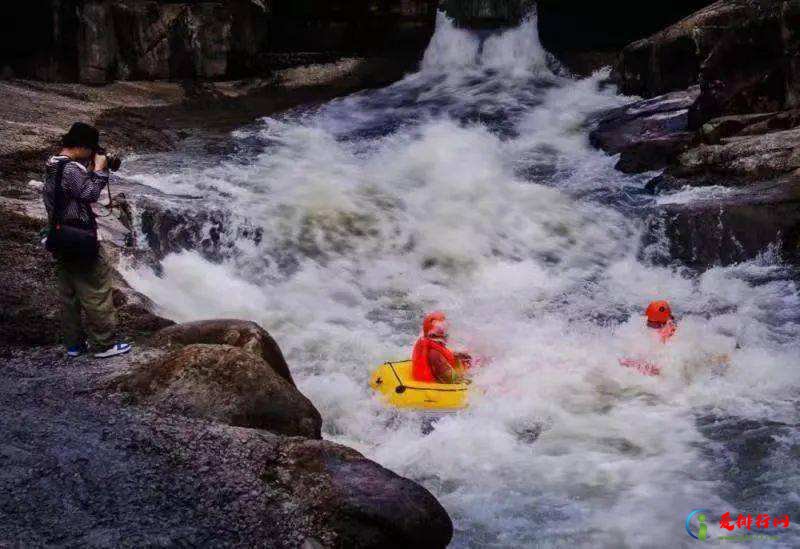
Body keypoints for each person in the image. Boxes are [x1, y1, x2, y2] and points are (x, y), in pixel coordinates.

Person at [43, 122, 131, 359]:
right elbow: (89, 194)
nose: (93, 153)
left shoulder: (53, 164)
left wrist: (90, 171)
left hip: (61, 235)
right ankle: (104, 345)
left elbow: (72, 192)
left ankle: (74, 344)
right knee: (96, 290)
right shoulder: (71, 169)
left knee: (69, 294)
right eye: (91, 149)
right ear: (81, 147)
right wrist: (101, 171)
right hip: (80, 237)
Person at [411, 311, 471, 383]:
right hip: (435, 387)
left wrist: (456, 355)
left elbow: (443, 355)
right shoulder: (435, 354)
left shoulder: (431, 343)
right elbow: (452, 380)